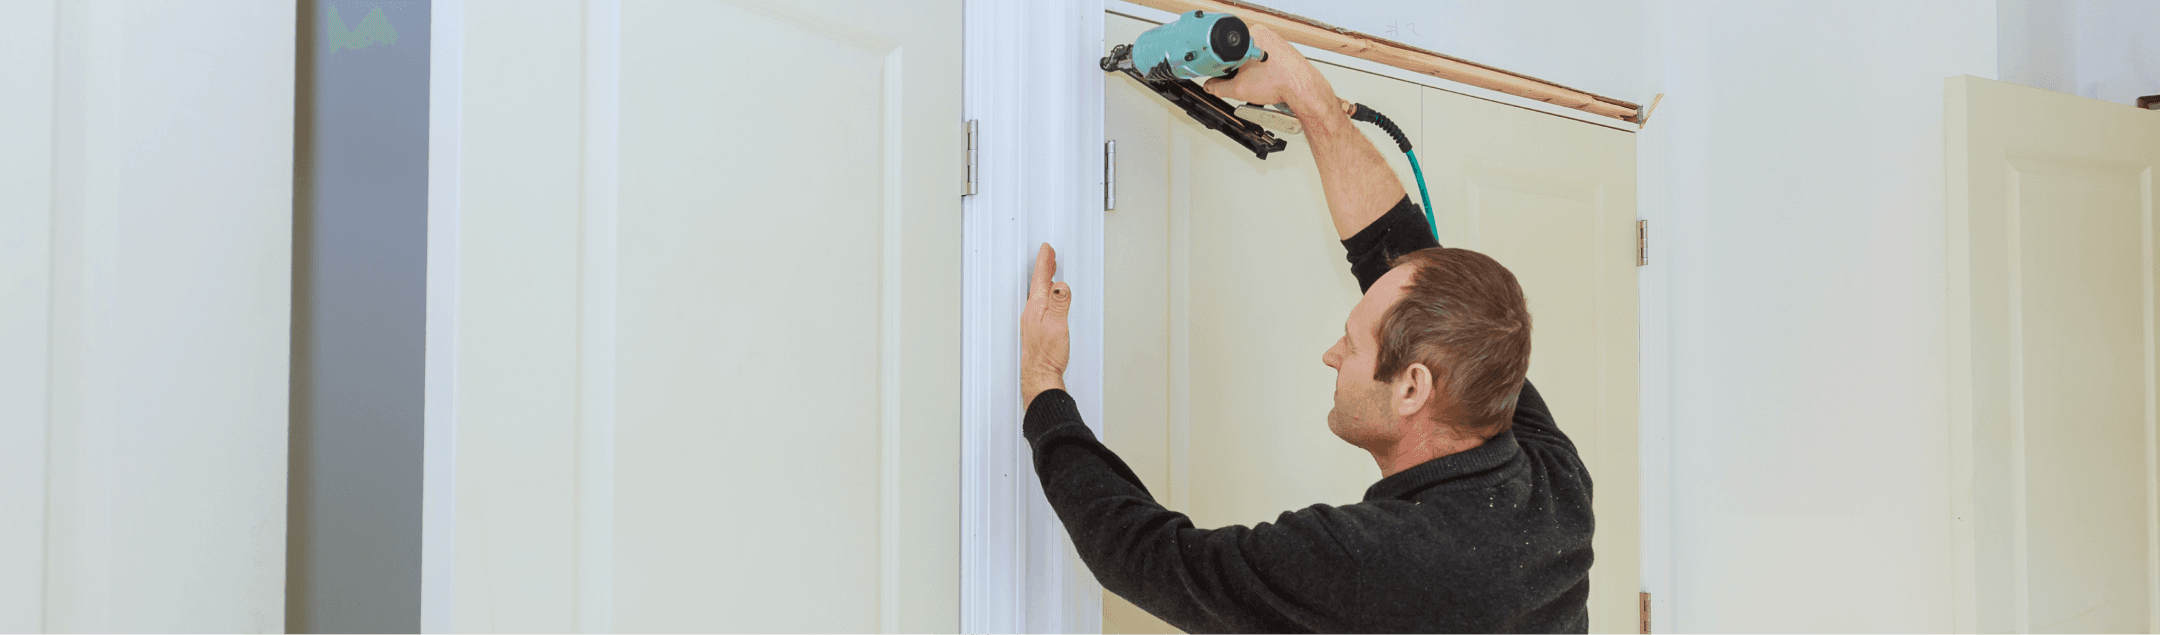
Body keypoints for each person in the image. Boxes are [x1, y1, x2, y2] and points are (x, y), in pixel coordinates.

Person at [1016, 21, 1594, 634]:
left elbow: (1147, 557)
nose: (1330, 354)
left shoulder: (1370, 563)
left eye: (1352, 342)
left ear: (1412, 388)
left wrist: (1043, 386)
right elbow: (1397, 253)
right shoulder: (1553, 488)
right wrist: (1306, 94)